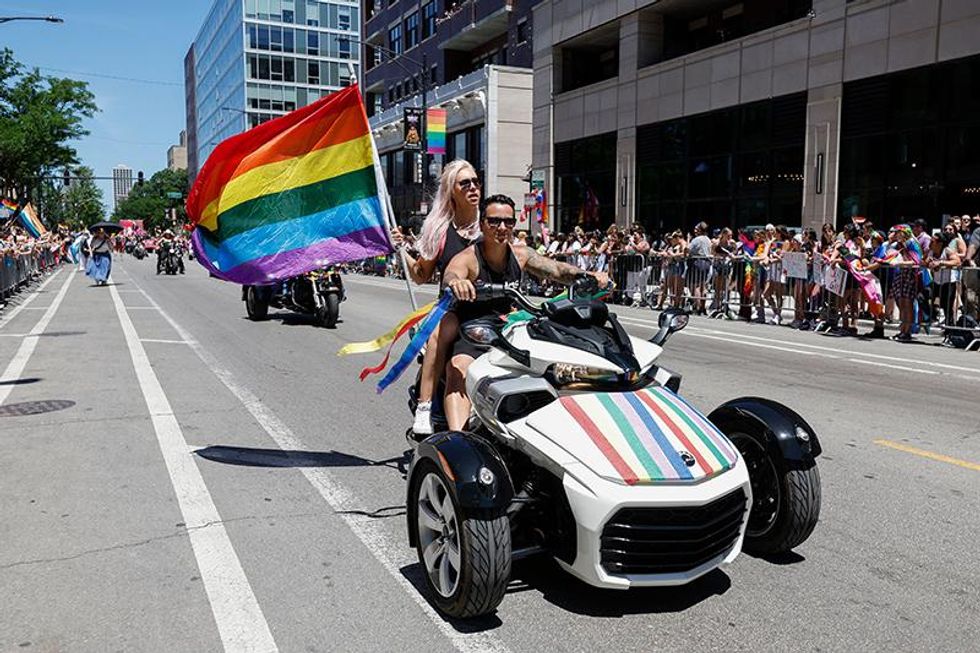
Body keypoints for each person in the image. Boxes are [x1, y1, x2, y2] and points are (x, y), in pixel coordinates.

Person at [441, 194, 609, 431]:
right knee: (458, 367)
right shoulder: (469, 258)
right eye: (494, 221)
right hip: (476, 329)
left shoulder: (521, 254)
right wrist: (457, 283)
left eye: (508, 222)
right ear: (482, 224)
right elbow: (451, 274)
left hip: (513, 327)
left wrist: (588, 277)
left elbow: (557, 270)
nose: (502, 227)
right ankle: (457, 438)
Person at [391, 159, 483, 435]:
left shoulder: (490, 224)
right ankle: (424, 407)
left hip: (489, 310)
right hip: (452, 308)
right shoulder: (440, 230)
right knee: (438, 332)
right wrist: (402, 250)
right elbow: (420, 274)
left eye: (476, 181)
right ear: (451, 190)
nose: (473, 187)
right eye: (464, 183)